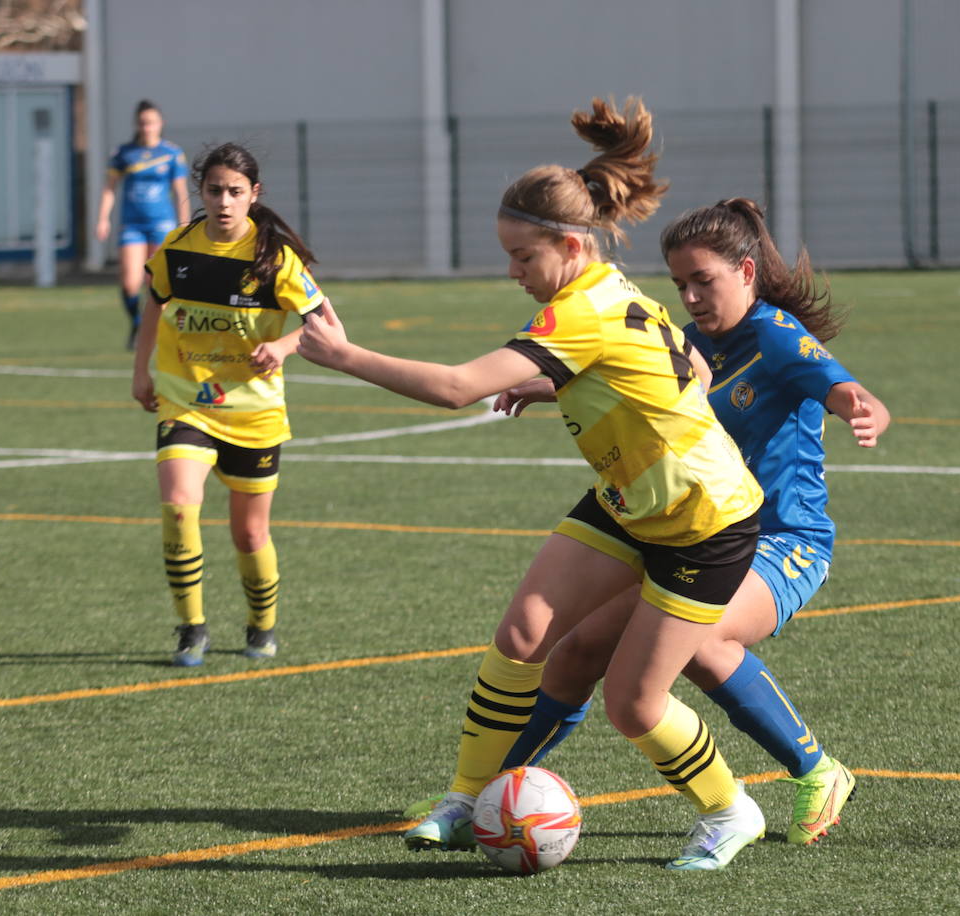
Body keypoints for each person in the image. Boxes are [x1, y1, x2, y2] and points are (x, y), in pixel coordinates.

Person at [298, 97, 769, 871]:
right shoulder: (610, 290)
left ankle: (729, 809)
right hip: (632, 504)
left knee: (634, 704)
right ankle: (463, 798)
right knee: (523, 634)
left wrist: (346, 357)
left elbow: (457, 387)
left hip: (703, 523)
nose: (513, 272)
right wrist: (561, 386)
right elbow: (692, 367)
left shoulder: (579, 312)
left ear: (567, 243)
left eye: (523, 257)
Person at [492, 197, 890, 847]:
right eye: (680, 284)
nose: (691, 296)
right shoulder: (691, 341)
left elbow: (845, 389)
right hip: (694, 533)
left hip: (782, 541)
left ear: (746, 271)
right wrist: (548, 383)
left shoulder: (778, 337)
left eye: (703, 281)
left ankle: (819, 770)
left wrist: (859, 408)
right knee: (579, 650)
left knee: (702, 642)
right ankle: (492, 787)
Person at [130, 142, 324, 667]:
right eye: (214, 190)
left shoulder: (274, 259)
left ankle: (262, 625)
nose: (224, 200)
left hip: (253, 414)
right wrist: (140, 369)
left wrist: (283, 347)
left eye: (235, 191)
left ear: (253, 195)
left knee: (250, 532)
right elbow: (154, 301)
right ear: (201, 192)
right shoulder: (179, 248)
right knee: (177, 507)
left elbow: (327, 324)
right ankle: (191, 628)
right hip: (185, 403)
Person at [98, 100, 191, 349]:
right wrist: (103, 218)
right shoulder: (123, 153)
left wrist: (185, 225)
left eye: (151, 122)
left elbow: (180, 190)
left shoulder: (171, 153)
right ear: (136, 125)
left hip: (162, 224)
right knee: (130, 281)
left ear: (160, 124)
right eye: (142, 123)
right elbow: (110, 188)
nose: (147, 127)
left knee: (157, 282)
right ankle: (137, 322)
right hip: (132, 225)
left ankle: (161, 331)